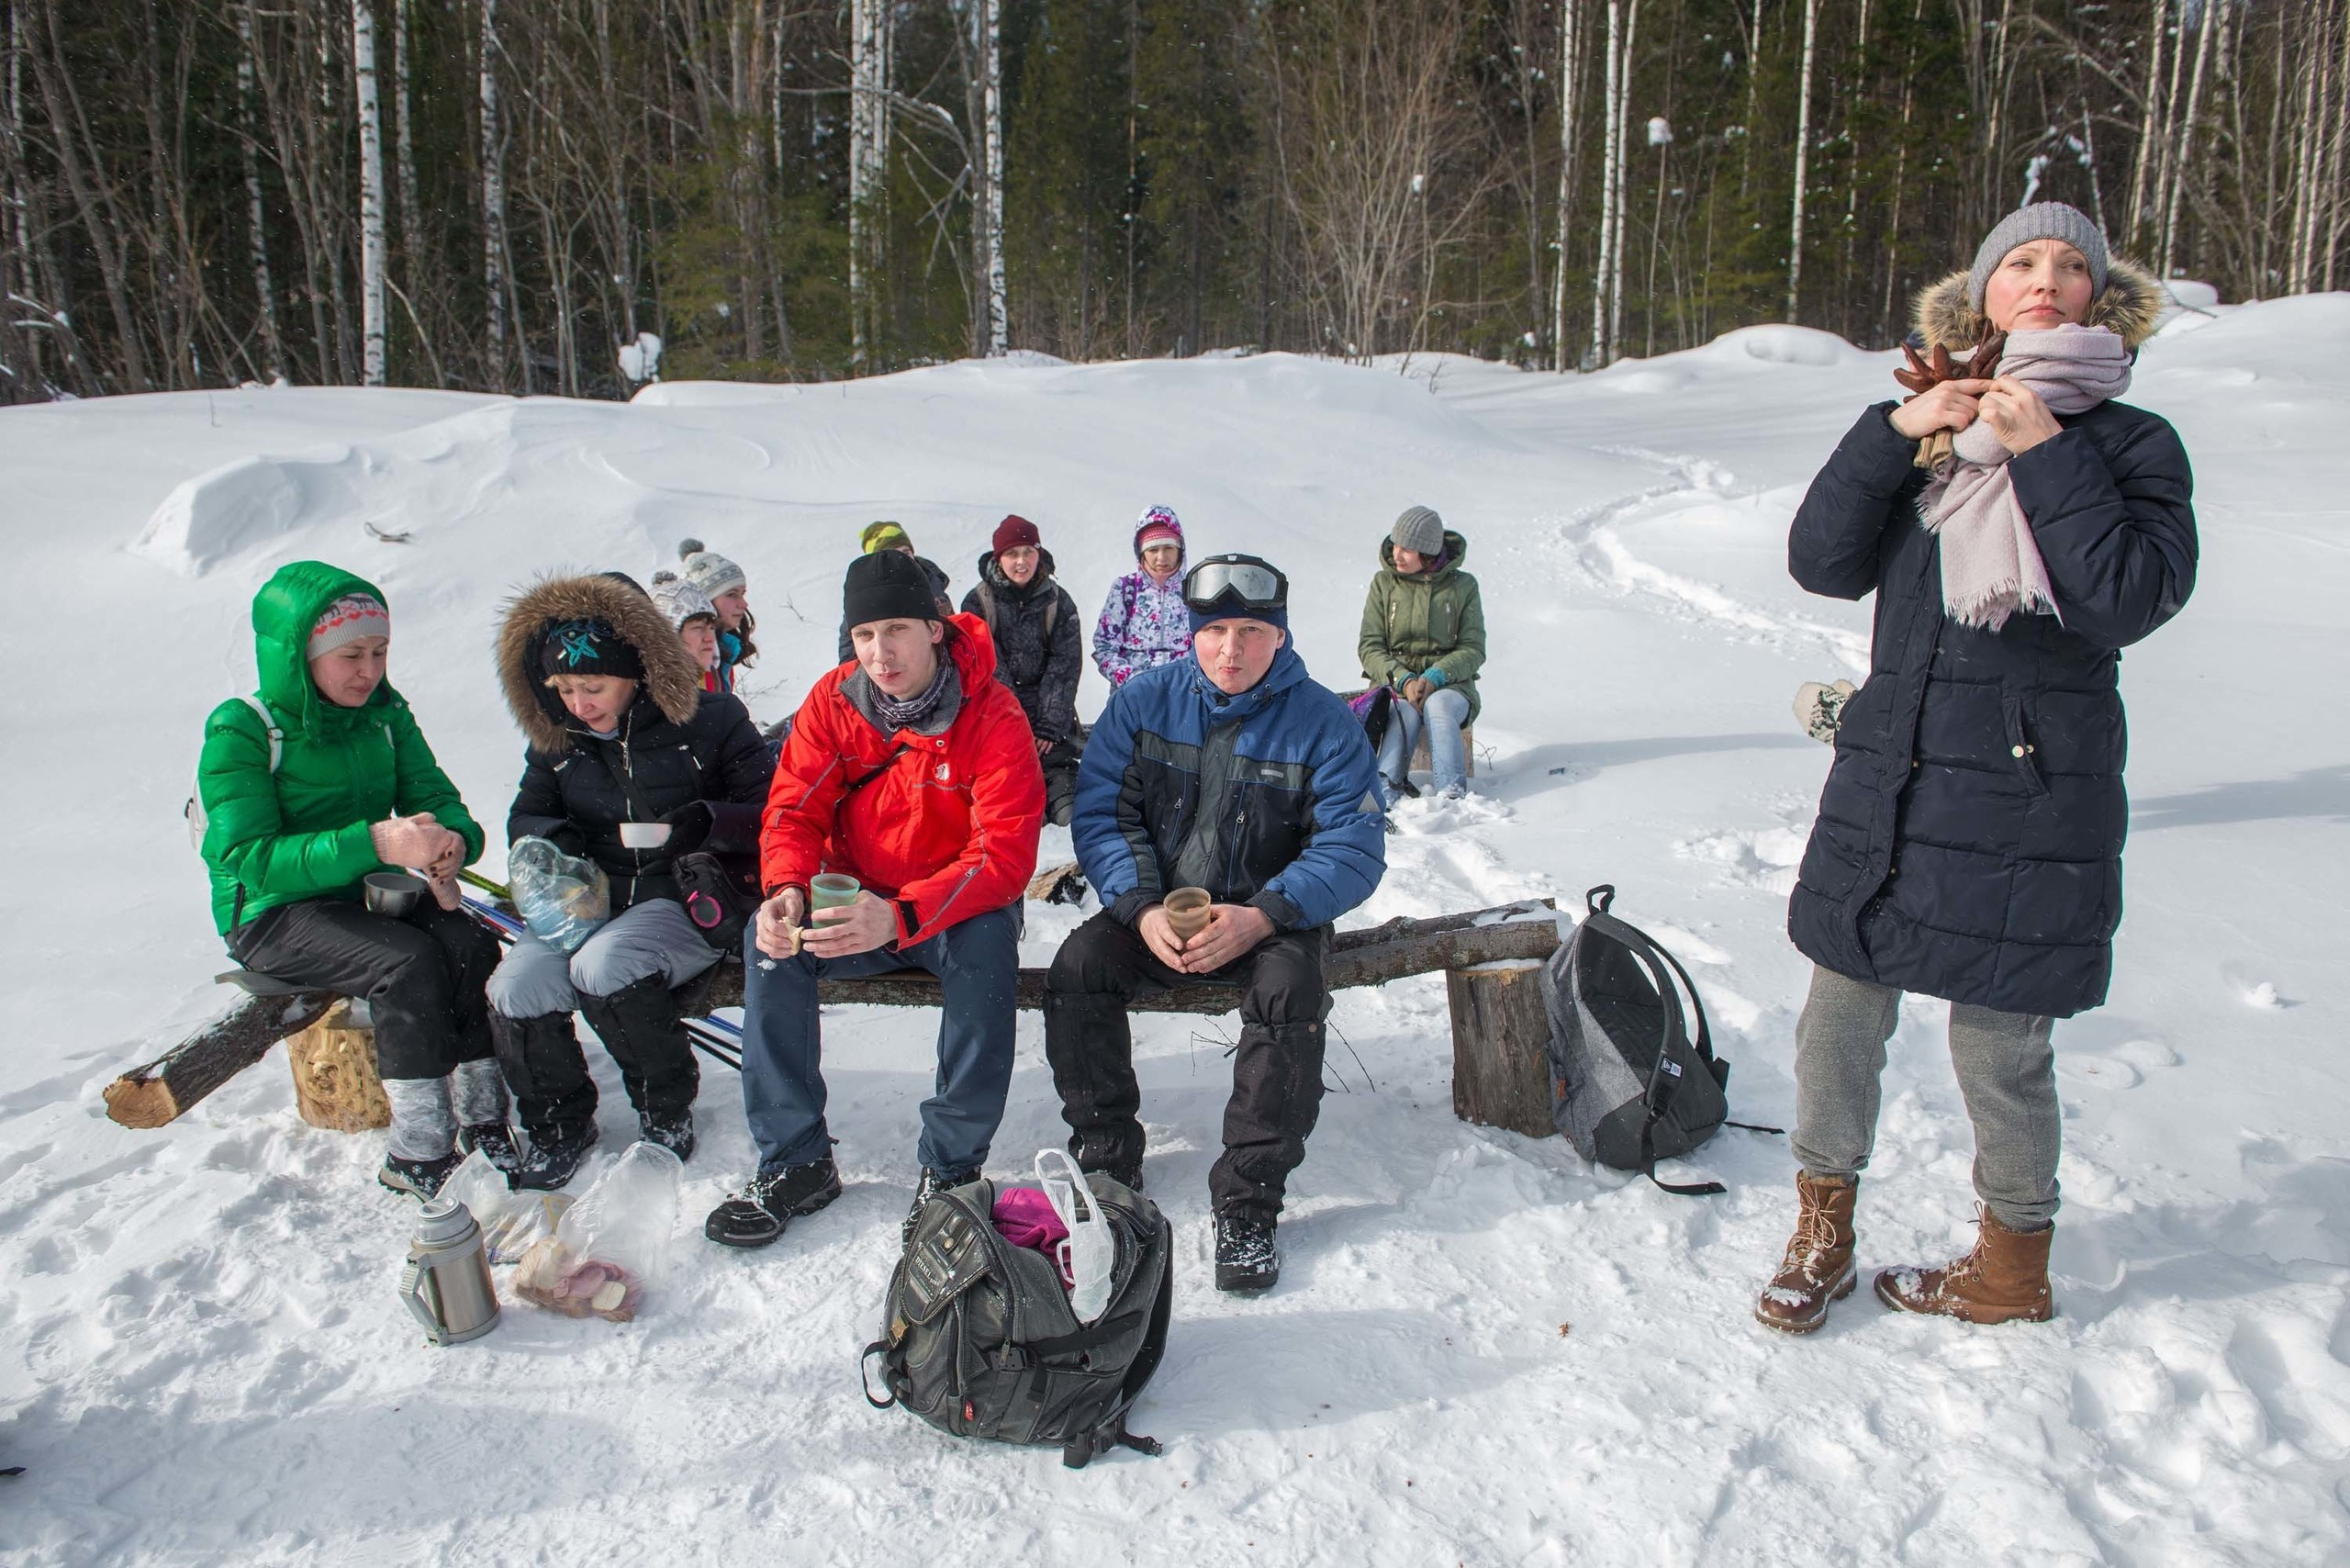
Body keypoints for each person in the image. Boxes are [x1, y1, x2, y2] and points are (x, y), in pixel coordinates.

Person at [1758, 203, 2194, 1334]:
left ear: (2100, 296)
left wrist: (2047, 453)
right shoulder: (1928, 432)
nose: (2044, 279)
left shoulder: (2129, 442)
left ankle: (2010, 1261)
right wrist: (1893, 430)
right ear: (1981, 296)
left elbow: (2126, 598)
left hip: (2027, 789)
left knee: (1999, 1048)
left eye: (2068, 266)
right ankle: (1821, 1225)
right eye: (2019, 263)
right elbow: (1819, 562)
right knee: (1836, 1018)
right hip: (1893, 774)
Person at [1046, 554, 1384, 1294]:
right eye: (1217, 631)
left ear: (1281, 637)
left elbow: (1354, 846)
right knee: (1077, 969)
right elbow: (1105, 814)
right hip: (1158, 913)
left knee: (1290, 995)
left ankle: (1248, 1201)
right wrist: (1137, 909)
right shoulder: (1143, 702)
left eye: (1253, 632)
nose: (1233, 650)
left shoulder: (1323, 721)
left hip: (1273, 917)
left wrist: (1265, 915)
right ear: (1191, 633)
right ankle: (1106, 1157)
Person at [707, 550, 1044, 1249]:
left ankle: (952, 1169)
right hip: (855, 898)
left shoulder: (993, 715)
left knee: (987, 956)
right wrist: (786, 890)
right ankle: (795, 1160)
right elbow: (793, 811)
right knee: (770, 949)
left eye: (895, 629)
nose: (880, 652)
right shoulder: (834, 703)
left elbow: (1003, 854)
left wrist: (902, 914)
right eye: (864, 635)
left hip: (954, 905)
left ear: (935, 629)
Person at [196, 562, 506, 1199]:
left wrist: (451, 843)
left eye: (380, 651)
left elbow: (439, 799)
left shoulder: (386, 716)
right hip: (271, 911)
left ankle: (484, 1118)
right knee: (410, 961)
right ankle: (419, 1153)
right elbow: (248, 856)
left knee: (471, 946)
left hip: (361, 895)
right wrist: (376, 842)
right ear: (299, 655)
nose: (369, 670)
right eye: (351, 655)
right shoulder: (243, 731)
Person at [487, 572, 774, 1188]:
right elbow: (528, 817)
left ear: (639, 669)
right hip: (587, 900)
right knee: (516, 983)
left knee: (603, 966)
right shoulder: (557, 740)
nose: (578, 703)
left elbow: (775, 812)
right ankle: (559, 1123)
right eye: (563, 688)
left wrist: (706, 823)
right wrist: (555, 852)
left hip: (685, 896)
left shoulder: (712, 720)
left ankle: (664, 1111)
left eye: (593, 686)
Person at [961, 513, 1085, 825]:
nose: (1021, 561)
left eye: (1028, 552)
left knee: (1065, 801)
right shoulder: (978, 603)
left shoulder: (1058, 601)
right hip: (1000, 718)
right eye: (1012, 553)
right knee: (1016, 802)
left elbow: (1065, 665)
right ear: (997, 557)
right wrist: (1017, 724)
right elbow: (989, 668)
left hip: (1052, 725)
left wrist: (1048, 726)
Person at [1358, 505, 1486, 804]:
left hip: (1451, 683)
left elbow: (1473, 647)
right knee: (1402, 712)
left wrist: (1436, 676)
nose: (1396, 555)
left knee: (1439, 707)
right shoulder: (1384, 584)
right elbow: (1370, 646)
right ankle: (1383, 794)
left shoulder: (1463, 586)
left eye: (1407, 549)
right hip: (1394, 681)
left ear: (1427, 553)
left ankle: (1451, 796)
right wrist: (1402, 679)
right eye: (1396, 545)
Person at [1091, 505, 1191, 689]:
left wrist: (1189, 682)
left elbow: (1209, 645)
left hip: (1184, 694)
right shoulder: (1125, 590)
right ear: (1141, 552)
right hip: (1133, 696)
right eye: (1153, 550)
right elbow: (1104, 647)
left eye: (1169, 547)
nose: (1161, 558)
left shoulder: (1195, 589)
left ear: (1180, 549)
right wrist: (1133, 681)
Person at [835, 521, 955, 663]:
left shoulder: (933, 584)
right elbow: (849, 661)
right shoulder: (864, 603)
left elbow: (953, 631)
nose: (903, 559)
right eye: (894, 555)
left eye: (906, 552)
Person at [677, 539, 756, 695]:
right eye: (732, 595)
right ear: (704, 600)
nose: (743, 604)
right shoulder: (690, 657)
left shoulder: (722, 649)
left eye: (742, 594)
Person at [650, 570, 724, 693]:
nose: (710, 638)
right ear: (669, 637)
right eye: (698, 628)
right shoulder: (654, 694)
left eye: (711, 628)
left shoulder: (708, 680)